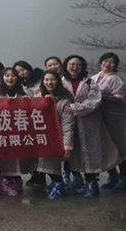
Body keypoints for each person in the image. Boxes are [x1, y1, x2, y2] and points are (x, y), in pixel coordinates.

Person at [61, 55, 121, 198]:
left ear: (83, 67)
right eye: (71, 64)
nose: (74, 67)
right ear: (66, 66)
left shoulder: (90, 82)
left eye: (78, 64)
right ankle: (79, 181)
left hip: (89, 123)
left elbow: (94, 101)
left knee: (90, 153)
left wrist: (74, 108)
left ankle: (92, 184)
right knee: (72, 153)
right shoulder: (61, 82)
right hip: (68, 124)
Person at [91, 52, 126, 193]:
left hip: (114, 119)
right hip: (99, 118)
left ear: (115, 65)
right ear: (101, 62)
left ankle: (124, 181)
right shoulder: (93, 78)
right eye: (105, 60)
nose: (108, 64)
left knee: (120, 150)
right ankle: (112, 176)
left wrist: (101, 97)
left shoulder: (116, 79)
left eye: (111, 62)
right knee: (106, 148)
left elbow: (121, 98)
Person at [36, 70, 75, 199]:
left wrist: (67, 144)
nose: (49, 82)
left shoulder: (65, 100)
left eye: (53, 79)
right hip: (40, 137)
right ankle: (55, 183)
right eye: (46, 79)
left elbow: (68, 124)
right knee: (41, 163)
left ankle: (59, 185)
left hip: (55, 138)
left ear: (58, 81)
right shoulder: (38, 96)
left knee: (51, 162)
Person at [0, 68, 28, 197]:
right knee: (5, 157)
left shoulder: (23, 91)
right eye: (7, 75)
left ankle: (16, 182)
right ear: (3, 77)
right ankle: (3, 185)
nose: (10, 78)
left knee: (18, 157)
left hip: (19, 129)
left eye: (13, 75)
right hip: (3, 129)